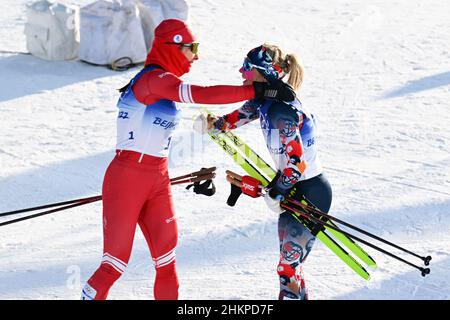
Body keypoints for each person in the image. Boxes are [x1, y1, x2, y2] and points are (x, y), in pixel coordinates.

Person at [80, 20, 295, 300]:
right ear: (173, 46)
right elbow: (200, 94)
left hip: (156, 178)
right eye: (191, 48)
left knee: (166, 261)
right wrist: (255, 90)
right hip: (127, 177)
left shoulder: (163, 85)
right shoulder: (151, 80)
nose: (196, 55)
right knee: (114, 264)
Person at [205, 44, 332, 300]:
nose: (242, 73)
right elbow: (237, 118)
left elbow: (296, 164)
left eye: (248, 70)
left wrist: (277, 191)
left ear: (265, 73)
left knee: (288, 268)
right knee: (290, 269)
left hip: (309, 193)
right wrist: (214, 124)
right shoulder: (264, 101)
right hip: (291, 186)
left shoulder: (281, 110)